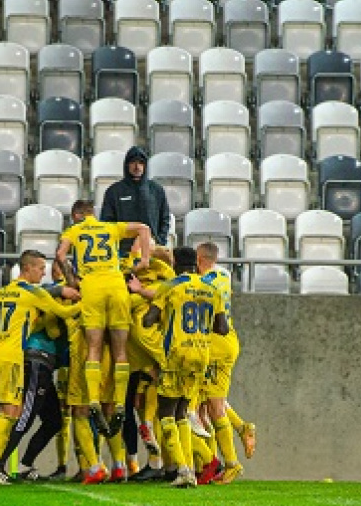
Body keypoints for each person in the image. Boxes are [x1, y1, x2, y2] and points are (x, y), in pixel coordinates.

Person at [0, 249, 80, 485]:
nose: (43, 273)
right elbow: (63, 312)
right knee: (10, 413)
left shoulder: (3, 292)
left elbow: (26, 321)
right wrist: (88, 305)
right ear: (27, 268)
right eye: (40, 268)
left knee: (9, 412)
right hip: (13, 357)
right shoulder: (31, 292)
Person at [53, 198, 151, 440]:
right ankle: (118, 403)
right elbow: (144, 229)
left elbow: (60, 254)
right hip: (116, 285)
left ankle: (94, 401)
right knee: (120, 351)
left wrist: (71, 278)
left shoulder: (74, 230)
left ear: (76, 215)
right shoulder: (110, 227)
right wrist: (144, 260)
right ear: (92, 214)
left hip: (92, 287)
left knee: (94, 347)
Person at [142, 246, 228, 487]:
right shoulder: (211, 289)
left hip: (177, 354)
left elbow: (148, 320)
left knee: (166, 412)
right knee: (182, 412)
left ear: (175, 264)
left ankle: (184, 470)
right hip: (202, 354)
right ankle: (188, 467)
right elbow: (222, 328)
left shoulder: (169, 286)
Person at [196, 242, 256, 484]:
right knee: (213, 402)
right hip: (229, 341)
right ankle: (241, 432)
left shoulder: (203, 283)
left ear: (200, 259)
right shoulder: (224, 276)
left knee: (208, 406)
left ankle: (225, 462)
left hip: (213, 345)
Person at [100, 146, 171, 259]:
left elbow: (165, 218)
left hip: (151, 251)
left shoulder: (156, 190)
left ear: (145, 166)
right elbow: (106, 222)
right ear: (127, 165)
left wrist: (159, 242)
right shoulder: (114, 191)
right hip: (123, 253)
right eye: (133, 162)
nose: (137, 167)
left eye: (141, 163)